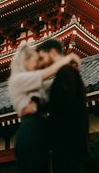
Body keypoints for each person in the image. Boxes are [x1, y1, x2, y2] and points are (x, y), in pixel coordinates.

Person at [8, 43, 80, 173]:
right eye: (36, 60)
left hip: (41, 128)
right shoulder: (17, 79)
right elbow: (47, 74)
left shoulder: (37, 85)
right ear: (26, 60)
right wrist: (67, 59)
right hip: (30, 128)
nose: (39, 65)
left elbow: (55, 84)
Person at [37, 39, 89, 173]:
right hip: (75, 141)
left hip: (66, 142)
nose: (42, 62)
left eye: (42, 57)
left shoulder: (64, 73)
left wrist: (39, 106)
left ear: (52, 52)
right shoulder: (71, 73)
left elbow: (62, 104)